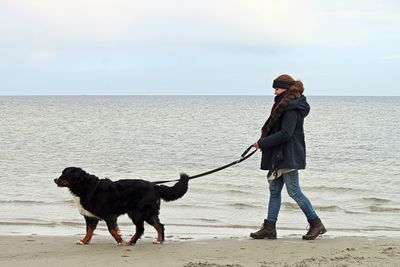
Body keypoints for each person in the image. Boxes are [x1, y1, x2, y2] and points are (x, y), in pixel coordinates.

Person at [250, 74, 326, 240]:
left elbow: (286, 134)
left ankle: (316, 223)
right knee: (274, 191)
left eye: (276, 89)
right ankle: (269, 227)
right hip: (279, 155)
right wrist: (264, 143)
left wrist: (262, 143)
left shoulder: (291, 108)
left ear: (286, 89)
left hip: (287, 154)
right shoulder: (285, 105)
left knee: (294, 191)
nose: (274, 93)